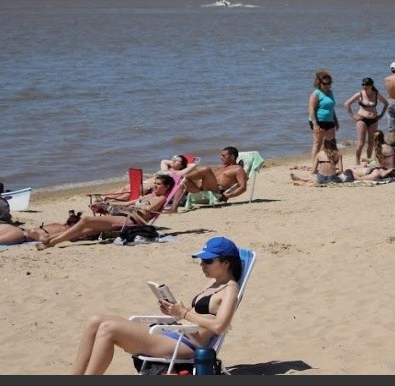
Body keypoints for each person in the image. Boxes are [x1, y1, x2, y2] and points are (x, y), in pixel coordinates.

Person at [70, 236, 242, 375]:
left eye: (208, 261)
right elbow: (197, 316)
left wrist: (183, 313)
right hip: (175, 332)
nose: (202, 264)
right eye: (201, 260)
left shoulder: (230, 289)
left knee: (108, 328)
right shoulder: (213, 283)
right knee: (95, 320)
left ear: (226, 263)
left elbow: (220, 326)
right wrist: (175, 312)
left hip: (185, 344)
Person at [36, 174, 176, 250]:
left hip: (130, 221)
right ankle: (51, 237)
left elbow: (146, 210)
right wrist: (105, 203)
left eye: (158, 184)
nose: (155, 186)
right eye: (155, 183)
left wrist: (130, 208)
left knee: (85, 220)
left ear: (167, 187)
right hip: (122, 215)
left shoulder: (161, 198)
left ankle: (52, 242)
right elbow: (126, 203)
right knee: (85, 229)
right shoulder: (148, 196)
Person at [168, 146, 248, 212]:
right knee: (184, 181)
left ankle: (178, 177)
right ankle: (174, 209)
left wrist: (229, 195)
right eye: (221, 155)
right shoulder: (221, 167)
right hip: (201, 189)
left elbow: (243, 187)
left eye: (223, 156)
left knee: (206, 169)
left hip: (217, 192)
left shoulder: (238, 169)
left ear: (232, 157)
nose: (221, 158)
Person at [96, 155, 196, 203]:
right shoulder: (165, 169)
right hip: (148, 181)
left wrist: (183, 165)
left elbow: (193, 165)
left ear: (182, 165)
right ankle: (105, 198)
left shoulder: (179, 173)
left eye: (176, 160)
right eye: (173, 159)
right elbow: (163, 161)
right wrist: (143, 175)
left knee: (131, 192)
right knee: (125, 188)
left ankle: (108, 201)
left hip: (152, 186)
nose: (173, 161)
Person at [344, 77, 389, 166]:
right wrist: (353, 116)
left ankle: (368, 160)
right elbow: (346, 104)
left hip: (374, 120)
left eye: (367, 85)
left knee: (371, 142)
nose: (364, 86)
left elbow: (386, 103)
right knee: (361, 142)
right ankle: (357, 161)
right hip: (362, 120)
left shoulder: (376, 94)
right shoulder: (360, 94)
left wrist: (381, 115)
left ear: (371, 85)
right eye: (363, 84)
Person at [308, 69, 340, 159]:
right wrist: (315, 124)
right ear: (319, 83)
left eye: (329, 83)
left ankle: (327, 164)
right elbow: (311, 109)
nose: (327, 85)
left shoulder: (330, 93)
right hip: (318, 121)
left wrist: (336, 121)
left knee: (330, 143)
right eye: (324, 83)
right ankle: (315, 165)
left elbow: (331, 108)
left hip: (330, 121)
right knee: (318, 143)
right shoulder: (316, 93)